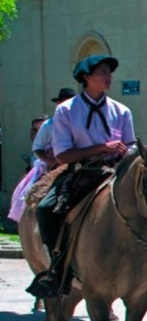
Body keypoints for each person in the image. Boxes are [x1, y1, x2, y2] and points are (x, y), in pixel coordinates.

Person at [27, 55, 135, 298]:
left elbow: (131, 145)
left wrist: (126, 151)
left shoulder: (122, 110)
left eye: (109, 72)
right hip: (80, 172)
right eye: (103, 72)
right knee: (46, 209)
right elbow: (63, 155)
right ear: (86, 77)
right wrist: (102, 148)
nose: (109, 77)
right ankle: (57, 267)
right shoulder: (66, 110)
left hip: (116, 170)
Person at [7, 114, 51, 222]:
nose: (39, 126)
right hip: (43, 158)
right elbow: (37, 147)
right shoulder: (40, 131)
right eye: (37, 125)